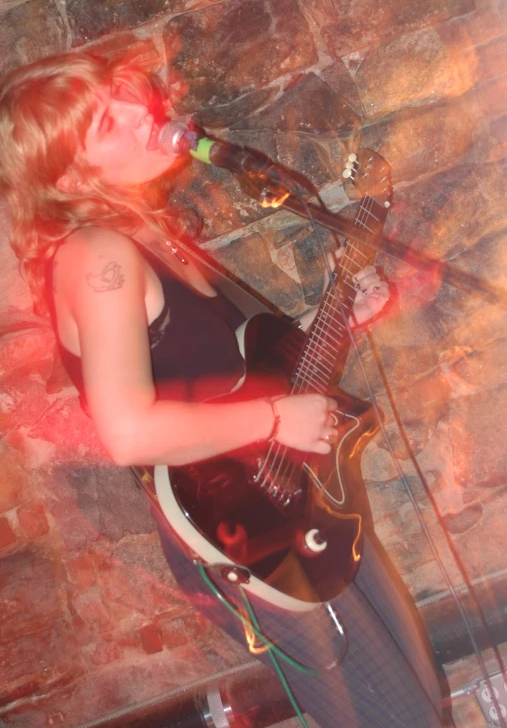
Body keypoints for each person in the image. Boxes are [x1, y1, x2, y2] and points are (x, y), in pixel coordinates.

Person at [0, 52, 446, 728]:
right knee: (395, 715)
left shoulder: (147, 234)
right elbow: (127, 431)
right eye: (105, 123)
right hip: (243, 531)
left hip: (289, 501)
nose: (138, 112)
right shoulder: (97, 256)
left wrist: (333, 319)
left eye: (124, 95)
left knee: (418, 698)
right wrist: (274, 419)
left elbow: (227, 372)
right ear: (68, 175)